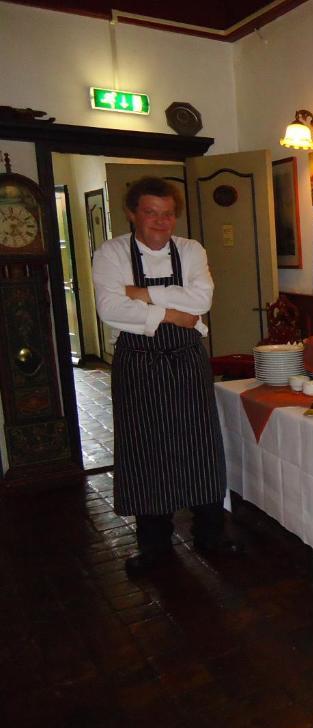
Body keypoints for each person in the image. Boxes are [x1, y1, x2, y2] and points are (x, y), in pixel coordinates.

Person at [92, 177, 240, 577]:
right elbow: (110, 308)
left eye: (168, 214)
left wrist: (141, 294)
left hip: (188, 359)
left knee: (200, 445)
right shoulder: (111, 252)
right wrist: (172, 313)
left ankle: (210, 533)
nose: (160, 222)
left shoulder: (191, 250)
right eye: (150, 212)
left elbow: (202, 301)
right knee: (145, 450)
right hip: (138, 361)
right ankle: (154, 546)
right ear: (132, 213)